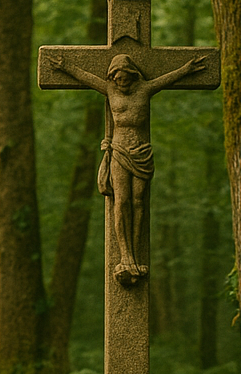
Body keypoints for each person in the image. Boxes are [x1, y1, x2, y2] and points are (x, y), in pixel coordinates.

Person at [49, 52, 206, 284]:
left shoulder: (144, 89)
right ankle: (126, 255)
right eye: (117, 79)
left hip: (142, 152)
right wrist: (66, 66)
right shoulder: (110, 90)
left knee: (139, 201)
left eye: (125, 78)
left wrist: (187, 69)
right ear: (113, 77)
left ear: (132, 75)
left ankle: (135, 251)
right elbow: (87, 78)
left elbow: (166, 80)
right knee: (121, 201)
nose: (121, 82)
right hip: (120, 151)